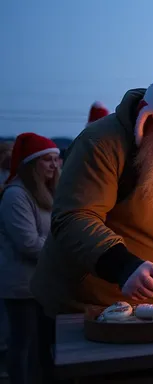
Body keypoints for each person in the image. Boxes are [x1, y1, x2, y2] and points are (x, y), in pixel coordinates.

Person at [31, 58, 153, 378]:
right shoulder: (102, 142)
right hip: (85, 311)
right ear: (151, 116)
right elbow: (73, 217)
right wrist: (122, 264)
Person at [0, 133, 59, 384]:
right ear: (31, 164)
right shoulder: (16, 196)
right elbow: (28, 243)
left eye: (56, 159)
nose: (54, 166)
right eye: (47, 160)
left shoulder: (47, 193)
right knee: (23, 343)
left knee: (44, 344)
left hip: (43, 284)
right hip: (22, 286)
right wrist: (65, 248)